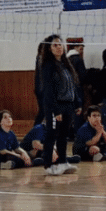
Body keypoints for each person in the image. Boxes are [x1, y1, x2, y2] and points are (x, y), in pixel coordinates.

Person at [38, 34, 79, 176]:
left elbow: (72, 86)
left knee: (64, 135)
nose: (58, 47)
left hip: (68, 105)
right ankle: (48, 165)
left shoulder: (66, 64)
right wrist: (55, 110)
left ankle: (62, 162)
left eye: (60, 44)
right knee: (52, 135)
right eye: (55, 45)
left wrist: (77, 103)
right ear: (49, 48)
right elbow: (48, 91)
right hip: (55, 106)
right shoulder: (48, 66)